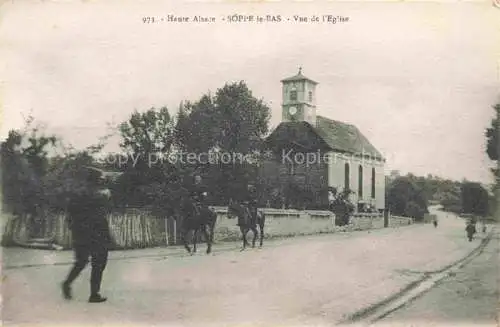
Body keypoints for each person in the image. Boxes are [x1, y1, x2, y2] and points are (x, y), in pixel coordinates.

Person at [61, 166, 112, 303]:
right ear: (97, 180)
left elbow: (69, 214)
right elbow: (105, 201)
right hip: (97, 232)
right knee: (99, 263)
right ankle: (94, 294)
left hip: (80, 232)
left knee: (81, 261)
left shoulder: (77, 193)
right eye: (100, 179)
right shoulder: (101, 194)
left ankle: (67, 283)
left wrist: (73, 228)